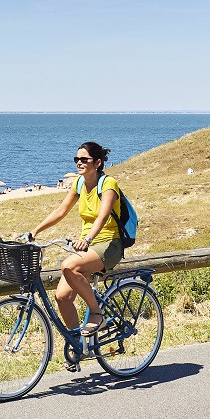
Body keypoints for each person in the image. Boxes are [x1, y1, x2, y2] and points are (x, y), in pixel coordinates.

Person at [28, 141, 128, 370]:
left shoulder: (108, 183)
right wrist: (36, 231)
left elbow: (102, 217)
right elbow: (61, 211)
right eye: (77, 159)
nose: (80, 163)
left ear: (98, 163)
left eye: (85, 160)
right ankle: (79, 345)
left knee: (68, 266)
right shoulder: (79, 183)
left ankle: (97, 313)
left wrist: (89, 239)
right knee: (62, 297)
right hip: (86, 246)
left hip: (108, 244)